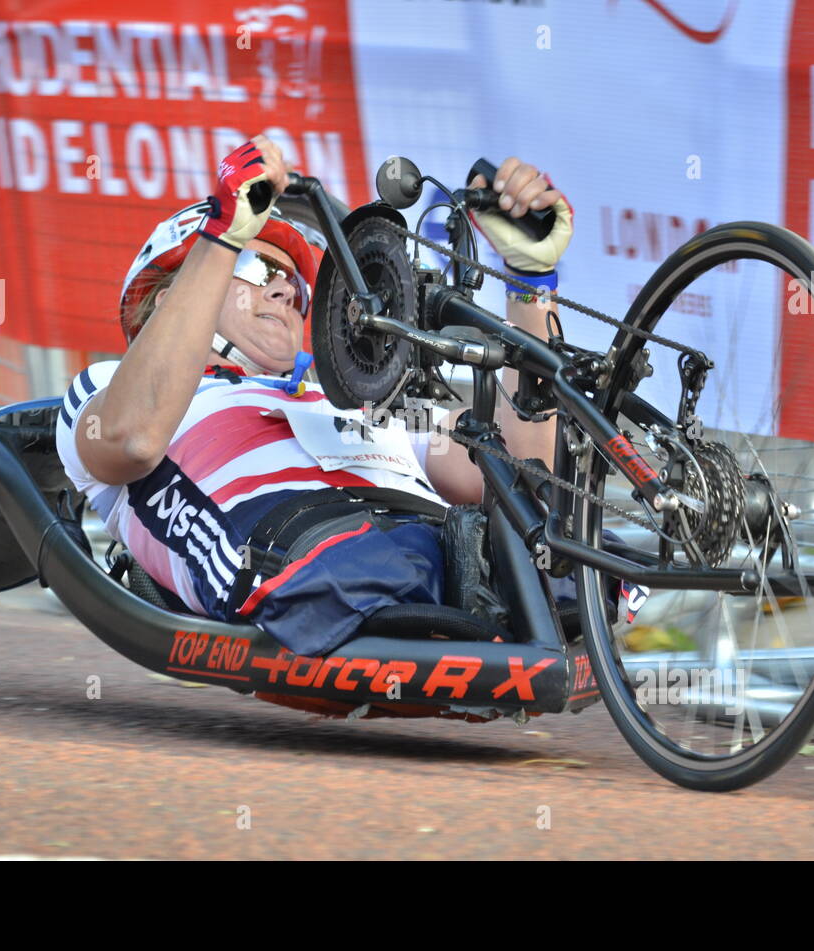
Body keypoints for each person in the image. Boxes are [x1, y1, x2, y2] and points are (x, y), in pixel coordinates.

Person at [56, 135, 573, 655]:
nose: (286, 291)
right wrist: (223, 234)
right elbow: (132, 442)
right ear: (171, 297)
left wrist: (530, 283)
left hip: (439, 553)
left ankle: (514, 586)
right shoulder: (106, 389)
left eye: (293, 284)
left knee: (556, 539)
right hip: (318, 563)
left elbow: (523, 475)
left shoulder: (353, 402)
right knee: (385, 560)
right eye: (259, 271)